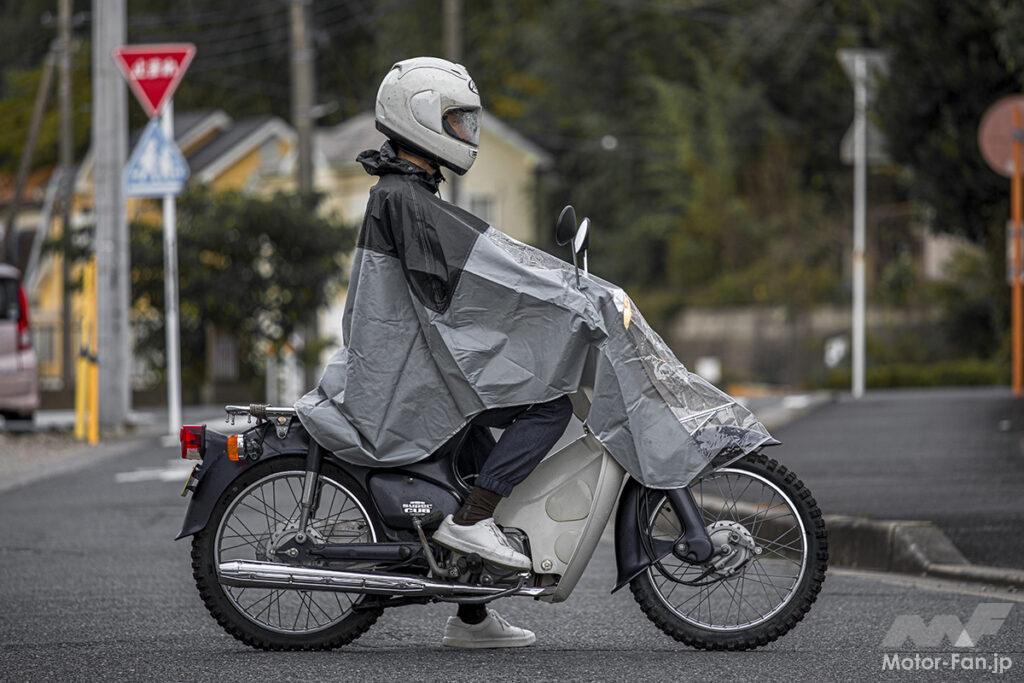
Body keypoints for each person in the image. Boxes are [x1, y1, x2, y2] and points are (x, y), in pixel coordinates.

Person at [357, 57, 573, 648]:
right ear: (421, 119)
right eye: (456, 121)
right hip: (416, 376)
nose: (467, 134)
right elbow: (460, 285)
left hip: (415, 366)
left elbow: (465, 273)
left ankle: (471, 615)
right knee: (551, 402)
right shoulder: (407, 197)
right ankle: (474, 520)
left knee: (476, 465)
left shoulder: (407, 190)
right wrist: (541, 303)